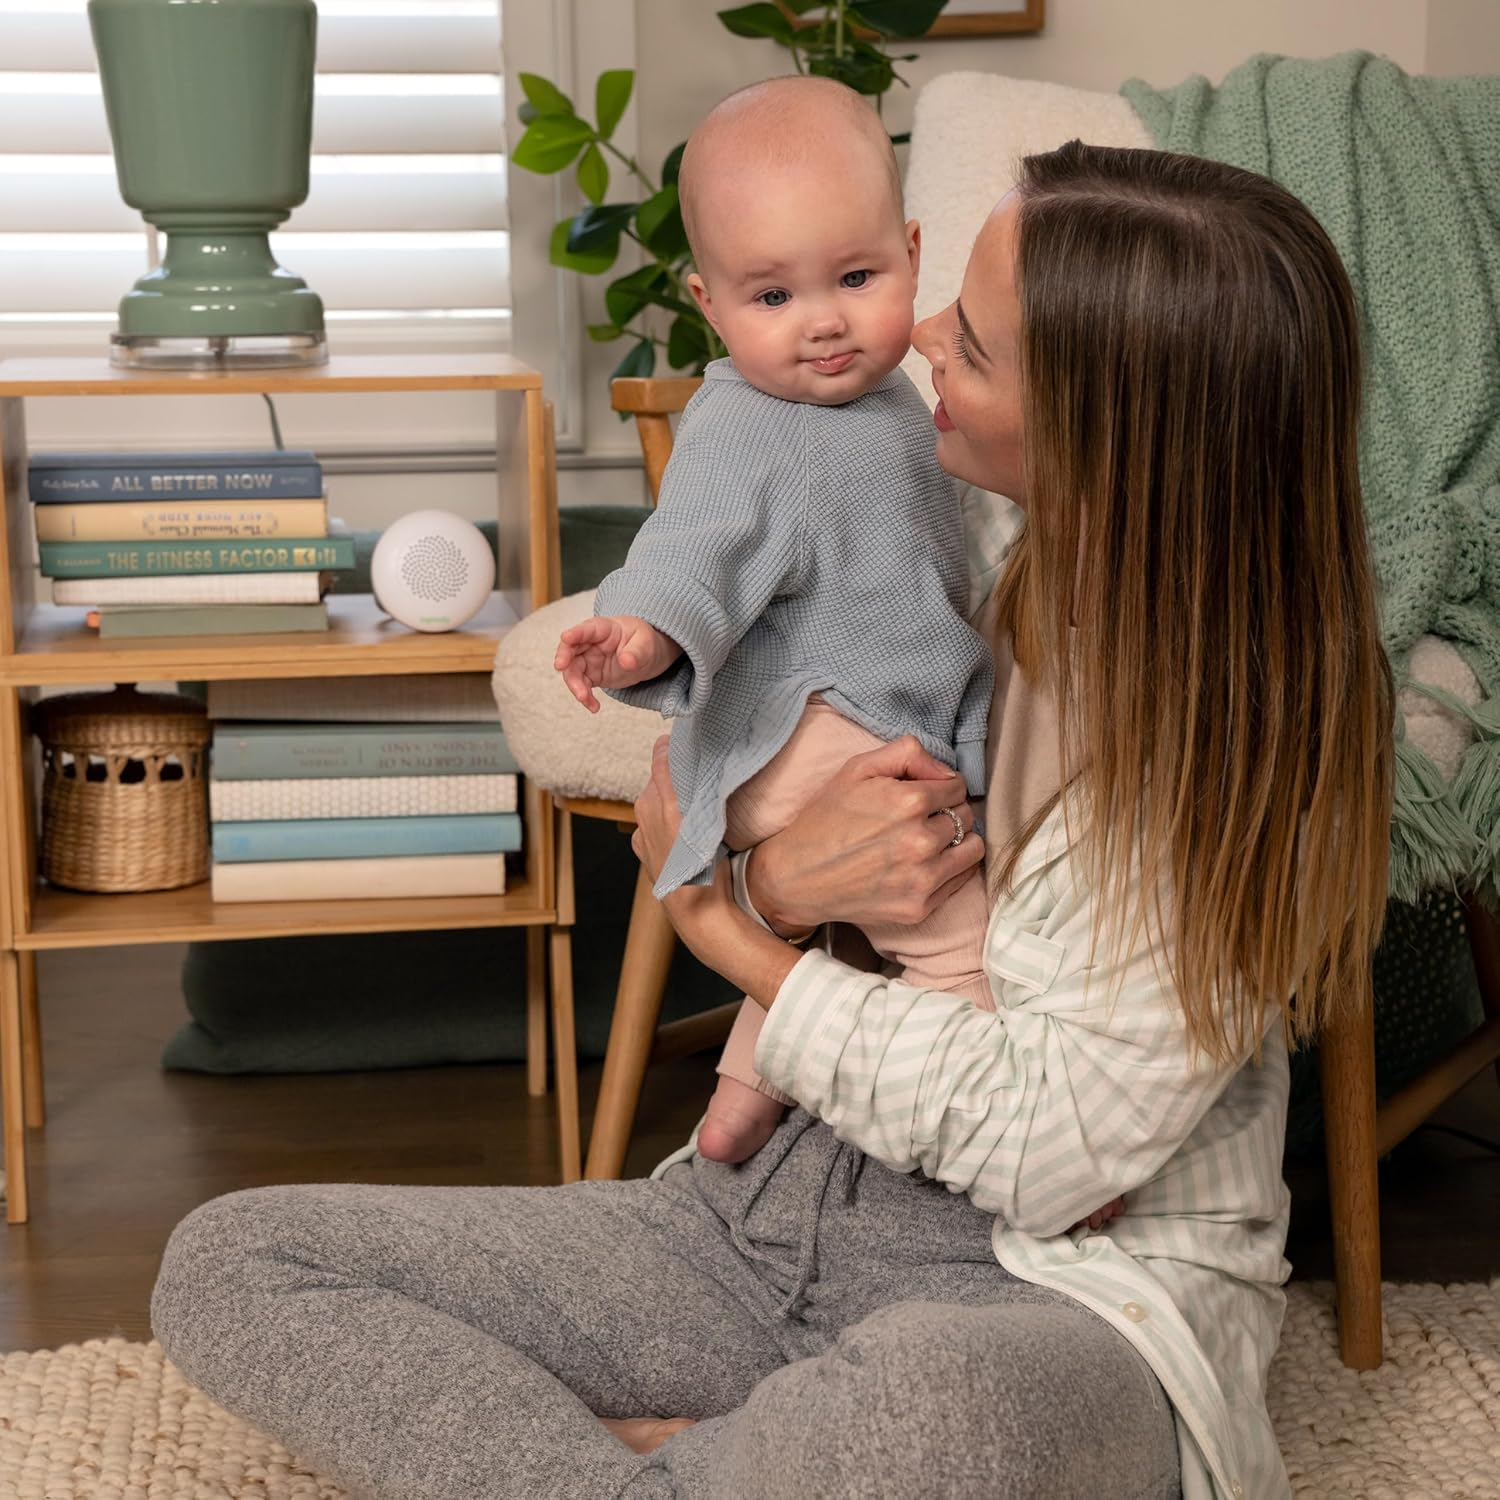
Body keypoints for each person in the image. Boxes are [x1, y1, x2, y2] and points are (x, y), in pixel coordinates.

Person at [149, 138, 1394, 1500]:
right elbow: (756, 675)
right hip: (769, 1216)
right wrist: (770, 870)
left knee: (928, 1408)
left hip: (1060, 1299)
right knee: (239, 1260)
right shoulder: (965, 532)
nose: (914, 336)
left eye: (969, 342)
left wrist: (722, 926)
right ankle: (693, 1471)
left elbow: (1048, 1155)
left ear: (1102, 430)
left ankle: (682, 1463)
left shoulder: (1245, 744)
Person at [555, 76, 994, 1166]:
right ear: (709, 306)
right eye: (772, 299)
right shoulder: (749, 424)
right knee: (956, 927)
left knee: (846, 933)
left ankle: (740, 1099)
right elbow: (692, 543)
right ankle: (1006, 1124)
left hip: (858, 708)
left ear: (912, 251)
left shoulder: (898, 397)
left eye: (855, 277)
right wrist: (641, 631)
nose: (826, 323)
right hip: (809, 727)